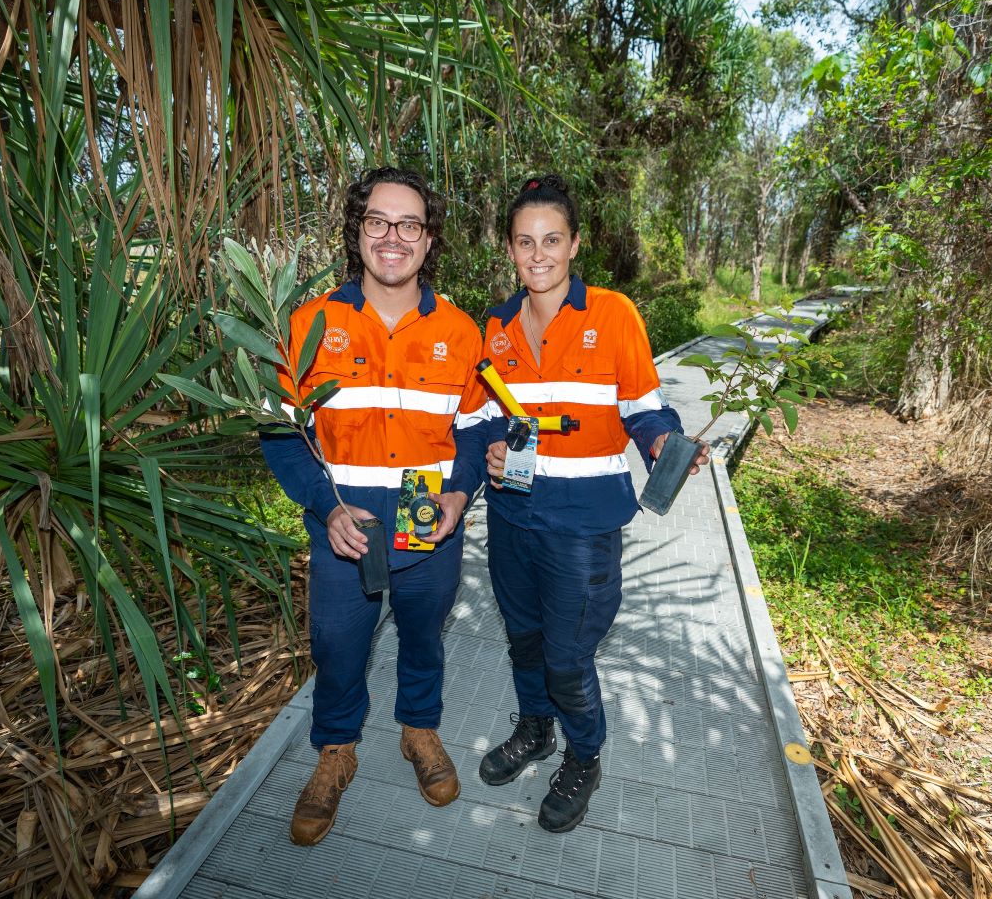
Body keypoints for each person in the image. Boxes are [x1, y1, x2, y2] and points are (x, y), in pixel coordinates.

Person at [260, 166, 489, 846]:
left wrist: (459, 490)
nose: (393, 237)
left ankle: (419, 730)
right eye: (378, 222)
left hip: (426, 510)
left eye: (409, 224)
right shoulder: (308, 324)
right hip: (347, 514)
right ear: (358, 231)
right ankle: (336, 749)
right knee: (337, 644)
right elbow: (280, 431)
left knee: (424, 632)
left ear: (428, 238)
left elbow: (475, 429)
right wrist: (322, 507)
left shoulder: (459, 329)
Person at [475, 175, 709, 833]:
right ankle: (534, 729)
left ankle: (584, 756)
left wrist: (666, 443)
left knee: (568, 655)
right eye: (526, 242)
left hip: (581, 526)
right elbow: (488, 417)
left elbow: (642, 407)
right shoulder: (494, 325)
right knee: (525, 641)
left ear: (574, 244)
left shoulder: (612, 314)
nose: (539, 254)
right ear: (512, 250)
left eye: (552, 240)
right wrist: (495, 449)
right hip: (512, 516)